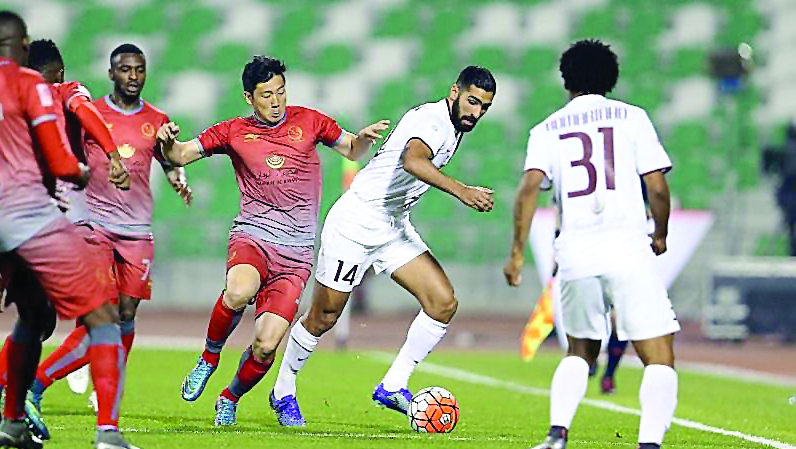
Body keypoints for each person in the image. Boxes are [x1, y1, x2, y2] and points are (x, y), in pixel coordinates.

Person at [0, 11, 148, 449]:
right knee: (106, 316)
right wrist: (85, 172)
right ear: (21, 44)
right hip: (37, 216)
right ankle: (108, 433)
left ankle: (7, 415)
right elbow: (62, 159)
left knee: (35, 319)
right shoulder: (37, 88)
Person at [157, 55, 389, 426]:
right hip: (254, 236)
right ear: (249, 97)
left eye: (281, 91)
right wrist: (167, 143)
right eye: (267, 95)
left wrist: (361, 139)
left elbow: (352, 149)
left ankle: (230, 396)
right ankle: (209, 358)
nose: (277, 101)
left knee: (266, 346)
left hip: (296, 254)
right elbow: (181, 154)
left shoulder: (310, 121)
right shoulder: (233, 131)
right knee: (238, 291)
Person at [268, 66, 496, 426]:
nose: (476, 113)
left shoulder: (454, 126)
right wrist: (462, 191)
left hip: (393, 226)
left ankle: (393, 385)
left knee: (442, 303)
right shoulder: (432, 120)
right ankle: (283, 390)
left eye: (484, 107)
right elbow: (413, 160)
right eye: (472, 102)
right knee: (324, 317)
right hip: (356, 222)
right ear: (454, 92)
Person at [503, 39, 689, 449]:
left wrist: (516, 253)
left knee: (580, 351)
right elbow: (657, 187)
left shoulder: (546, 129)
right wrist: (659, 234)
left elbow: (529, 189)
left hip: (576, 251)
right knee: (658, 355)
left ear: (565, 80)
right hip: (626, 247)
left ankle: (556, 433)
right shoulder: (633, 118)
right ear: (611, 78)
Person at [26, 43, 192, 429]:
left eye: (139, 69)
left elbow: (169, 162)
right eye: (125, 70)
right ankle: (43, 382)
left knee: (127, 315)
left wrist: (179, 180)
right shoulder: (91, 113)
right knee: (105, 315)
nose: (133, 77)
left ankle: (100, 376)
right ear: (112, 73)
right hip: (95, 228)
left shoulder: (158, 119)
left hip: (137, 232)